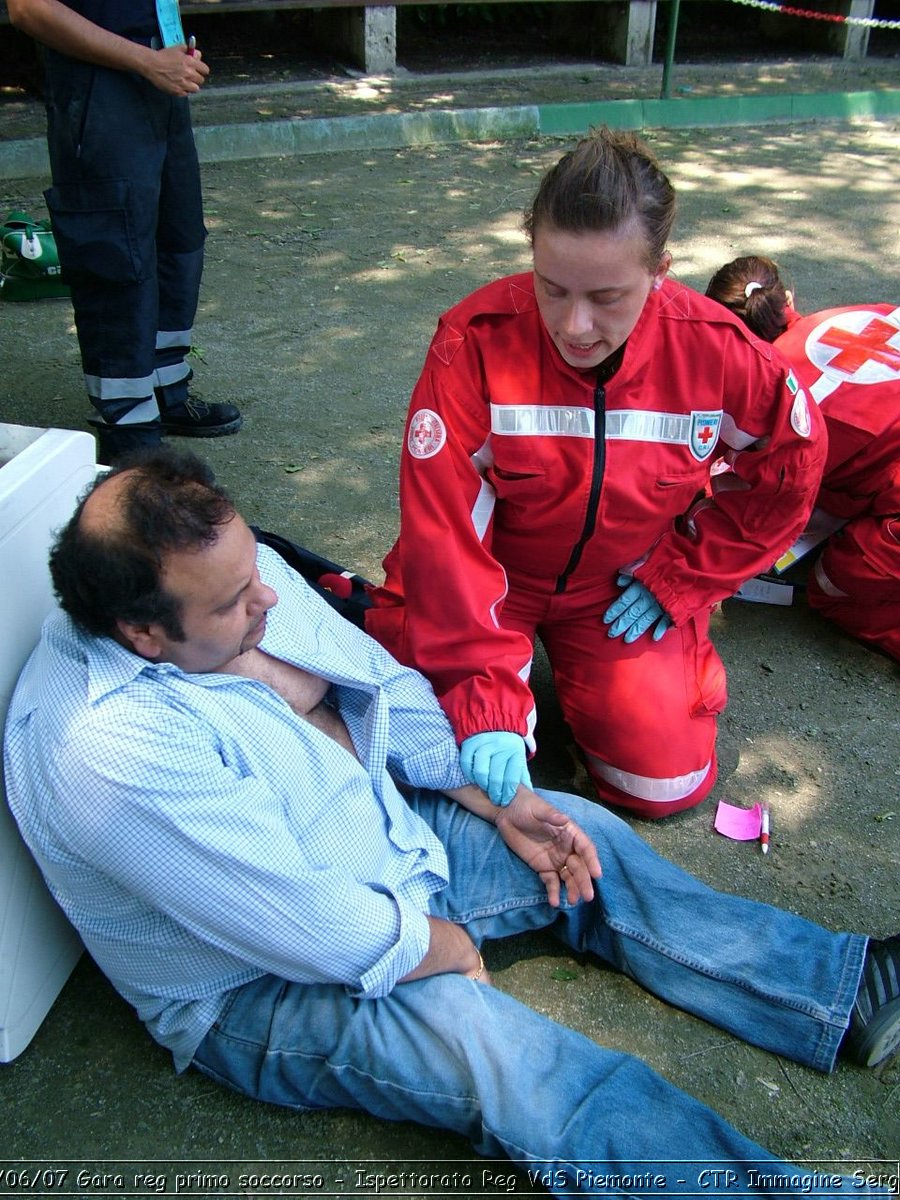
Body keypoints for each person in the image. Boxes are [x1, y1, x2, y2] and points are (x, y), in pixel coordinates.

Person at [5, 448, 898, 1197]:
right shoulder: (107, 751)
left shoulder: (228, 577)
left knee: (581, 834)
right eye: (236, 602)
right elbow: (313, 929)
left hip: (376, 828)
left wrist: (492, 799)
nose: (267, 597)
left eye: (253, 572)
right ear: (143, 634)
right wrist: (440, 944)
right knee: (516, 1063)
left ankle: (836, 991)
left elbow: (383, 682)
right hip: (256, 982)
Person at [364, 127, 827, 820]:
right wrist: (484, 691)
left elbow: (791, 462)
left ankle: (654, 662)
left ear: (660, 269)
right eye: (552, 289)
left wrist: (690, 573)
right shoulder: (476, 342)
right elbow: (445, 538)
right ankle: (435, 639)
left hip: (614, 587)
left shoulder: (714, 350)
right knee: (443, 773)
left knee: (664, 787)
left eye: (608, 296)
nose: (574, 326)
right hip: (492, 585)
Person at [6, 0, 242, 462]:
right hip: (101, 84)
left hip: (161, 74)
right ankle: (128, 425)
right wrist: (148, 61)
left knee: (178, 240)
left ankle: (165, 388)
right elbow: (30, 9)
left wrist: (168, 53)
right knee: (115, 250)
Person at [705, 255, 899, 663]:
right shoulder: (856, 315)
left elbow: (763, 499)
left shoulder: (782, 400)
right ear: (787, 297)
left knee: (837, 584)